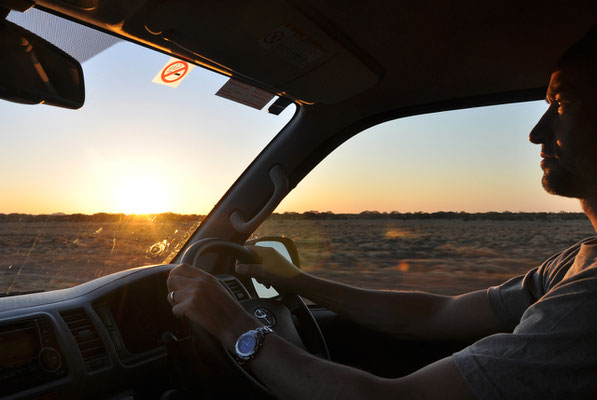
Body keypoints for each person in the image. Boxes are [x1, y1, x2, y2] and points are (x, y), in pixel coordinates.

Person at [166, 26, 597, 399]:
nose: (536, 132)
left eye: (561, 103)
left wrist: (234, 328)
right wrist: (296, 280)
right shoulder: (577, 261)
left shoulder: (589, 299)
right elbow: (436, 315)